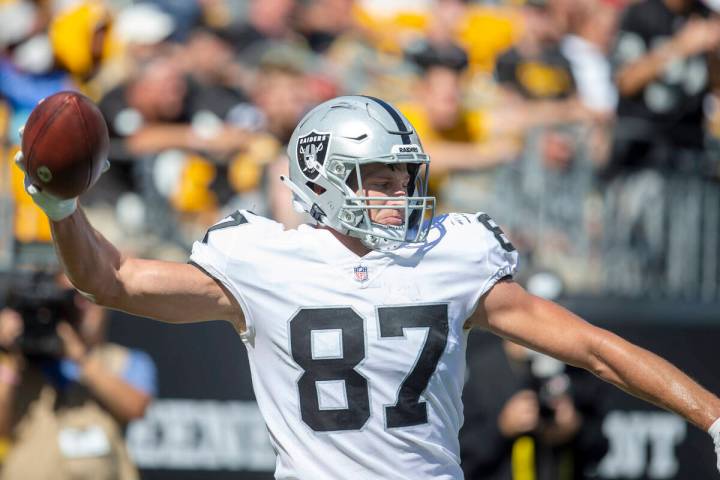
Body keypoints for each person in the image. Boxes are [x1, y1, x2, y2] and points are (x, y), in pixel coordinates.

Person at [11, 95, 720, 479]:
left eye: (403, 175)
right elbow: (110, 279)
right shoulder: (263, 260)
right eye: (377, 177)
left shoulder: (452, 255)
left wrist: (714, 415)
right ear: (322, 181)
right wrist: (62, 208)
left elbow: (593, 348)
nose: (397, 192)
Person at [0, 271, 156, 480]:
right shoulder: (21, 362)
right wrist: (10, 356)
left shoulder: (124, 360)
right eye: (70, 297)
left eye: (88, 295)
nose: (79, 305)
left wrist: (80, 357)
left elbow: (135, 408)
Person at [460, 337, 608, 480]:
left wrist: (574, 428)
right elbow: (463, 453)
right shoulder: (483, 372)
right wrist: (502, 428)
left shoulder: (574, 370)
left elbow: (600, 446)